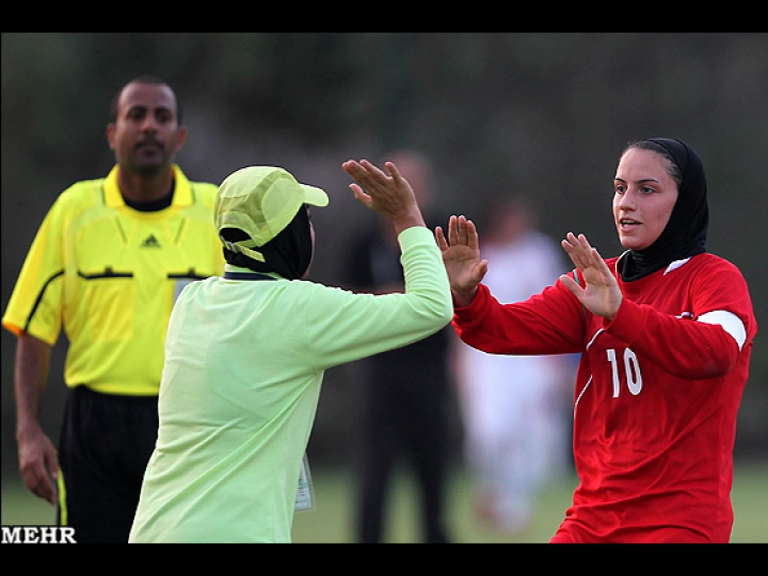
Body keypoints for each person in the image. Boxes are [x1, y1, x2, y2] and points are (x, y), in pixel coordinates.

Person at [436, 138, 756, 543]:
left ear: (685, 200)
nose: (626, 202)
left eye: (647, 189)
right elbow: (499, 329)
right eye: (620, 188)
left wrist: (624, 315)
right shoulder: (598, 282)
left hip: (679, 519)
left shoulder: (714, 278)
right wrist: (467, 297)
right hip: (593, 516)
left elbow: (717, 352)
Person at [128, 159, 453, 543]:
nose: (310, 232)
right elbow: (432, 307)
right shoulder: (300, 309)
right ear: (289, 236)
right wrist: (407, 218)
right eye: (306, 221)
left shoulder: (191, 302)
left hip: (153, 527)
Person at [2, 76, 225, 543]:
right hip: (93, 430)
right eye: (136, 115)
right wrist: (27, 430)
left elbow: (259, 317)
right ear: (112, 134)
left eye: (162, 117)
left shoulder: (216, 211)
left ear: (179, 137)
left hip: (187, 426)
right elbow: (34, 329)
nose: (149, 127)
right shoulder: (75, 210)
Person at [342, 150, 453, 543]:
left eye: (414, 185)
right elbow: (345, 302)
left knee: (433, 470)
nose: (407, 193)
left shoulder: (443, 236)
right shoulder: (363, 244)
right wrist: (399, 298)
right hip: (380, 373)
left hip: (430, 370)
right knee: (375, 471)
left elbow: (459, 296)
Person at [453, 195, 572, 533]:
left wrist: (559, 364)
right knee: (490, 431)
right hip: (486, 359)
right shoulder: (484, 255)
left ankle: (514, 508)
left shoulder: (539, 252)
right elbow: (463, 307)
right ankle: (489, 489)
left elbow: (558, 309)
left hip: (531, 356)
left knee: (529, 434)